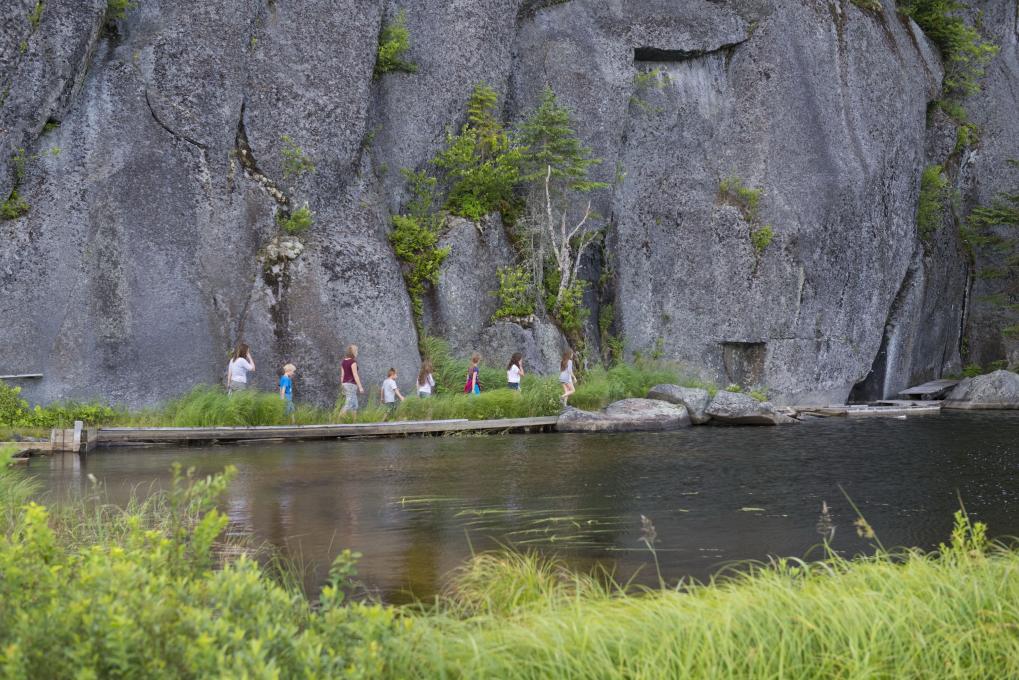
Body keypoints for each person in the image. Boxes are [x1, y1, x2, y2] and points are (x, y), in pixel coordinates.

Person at [339, 345, 364, 414]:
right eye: (356, 351)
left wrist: (342, 385)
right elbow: (355, 375)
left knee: (354, 404)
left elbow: (342, 375)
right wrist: (360, 387)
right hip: (351, 385)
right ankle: (337, 419)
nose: (357, 353)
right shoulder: (353, 362)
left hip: (345, 384)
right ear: (353, 352)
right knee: (348, 404)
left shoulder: (343, 362)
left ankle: (354, 420)